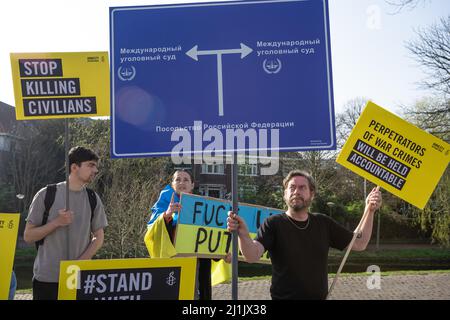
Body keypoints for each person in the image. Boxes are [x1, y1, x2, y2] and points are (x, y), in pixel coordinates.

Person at [227, 169, 382, 300]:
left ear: (311, 194)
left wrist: (369, 210)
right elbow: (251, 255)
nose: (296, 192)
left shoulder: (323, 223)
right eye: (292, 187)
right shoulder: (273, 223)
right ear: (285, 194)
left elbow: (359, 243)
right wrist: (243, 235)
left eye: (302, 188)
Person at [24, 146, 108, 300]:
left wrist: (78, 265)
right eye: (91, 165)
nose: (95, 170)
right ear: (74, 167)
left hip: (78, 279)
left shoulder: (93, 198)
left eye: (96, 166)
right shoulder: (46, 194)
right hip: (47, 279)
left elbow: (99, 238)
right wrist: (57, 222)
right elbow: (28, 236)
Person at [146, 169, 229, 300]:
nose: (181, 182)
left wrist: (223, 255)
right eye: (177, 179)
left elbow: (211, 238)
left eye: (186, 180)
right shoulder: (164, 205)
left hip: (199, 265)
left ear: (192, 185)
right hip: (174, 265)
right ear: (172, 184)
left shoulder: (203, 206)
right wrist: (166, 215)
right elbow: (152, 233)